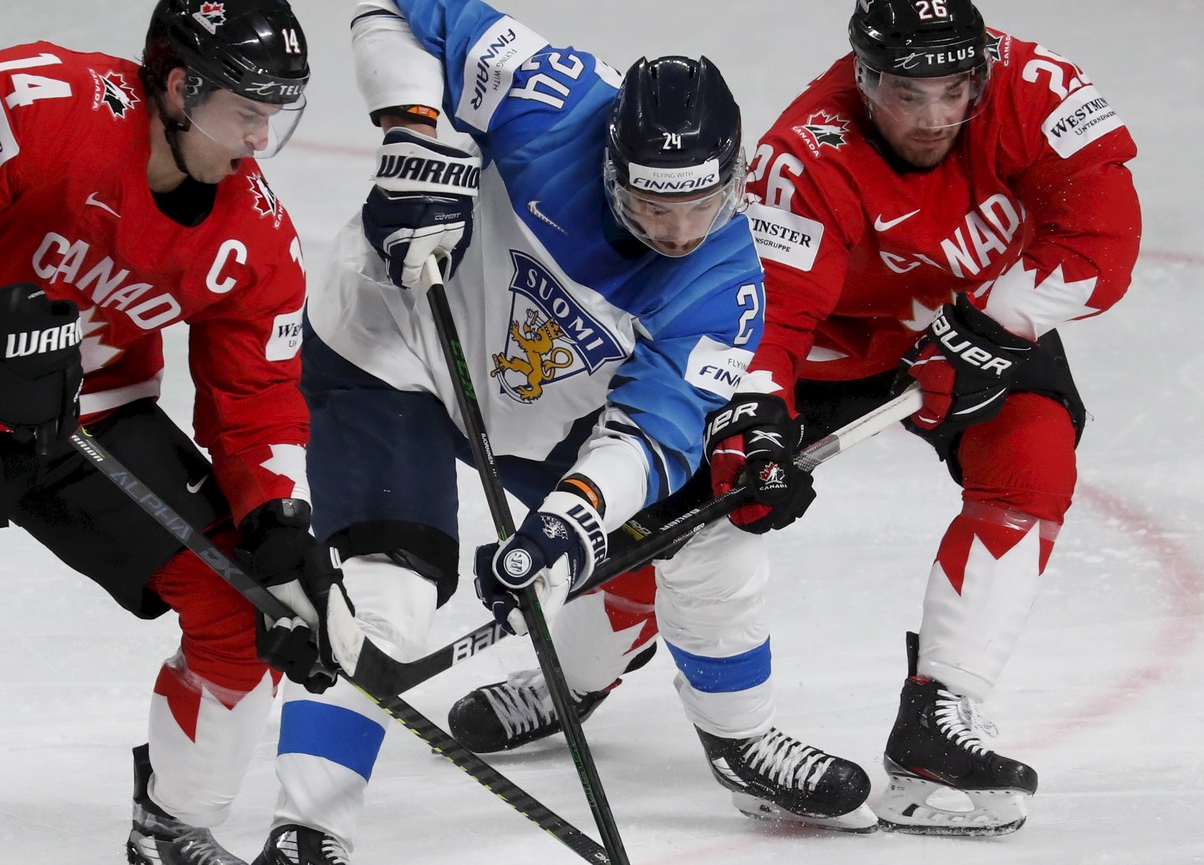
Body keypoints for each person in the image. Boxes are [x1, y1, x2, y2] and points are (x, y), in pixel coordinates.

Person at [450, 0, 1141, 837]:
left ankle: (939, 717)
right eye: (902, 92)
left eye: (952, 92)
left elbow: (1105, 238)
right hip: (823, 349)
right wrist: (757, 425)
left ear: (984, 72)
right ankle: (578, 667)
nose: (929, 118)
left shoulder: (1041, 87)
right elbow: (766, 317)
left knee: (1034, 460)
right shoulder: (805, 153)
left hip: (981, 318)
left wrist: (994, 324)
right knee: (688, 510)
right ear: (862, 75)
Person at [246, 1, 875, 861]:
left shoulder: (724, 280)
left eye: (702, 205)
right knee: (386, 594)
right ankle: (309, 826)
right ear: (610, 163)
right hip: (389, 349)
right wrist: (413, 130)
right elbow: (398, 10)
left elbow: (654, 433)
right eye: (654, 207)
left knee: (709, 535)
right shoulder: (552, 96)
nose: (679, 233)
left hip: (540, 407)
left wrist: (569, 526)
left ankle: (739, 739)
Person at [0, 3, 350, 864]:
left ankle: (172, 826)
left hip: (79, 416)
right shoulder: (41, 97)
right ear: (178, 86)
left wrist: (279, 517)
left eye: (275, 112)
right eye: (247, 109)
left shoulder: (256, 240)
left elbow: (258, 400)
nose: (260, 136)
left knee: (246, 608)